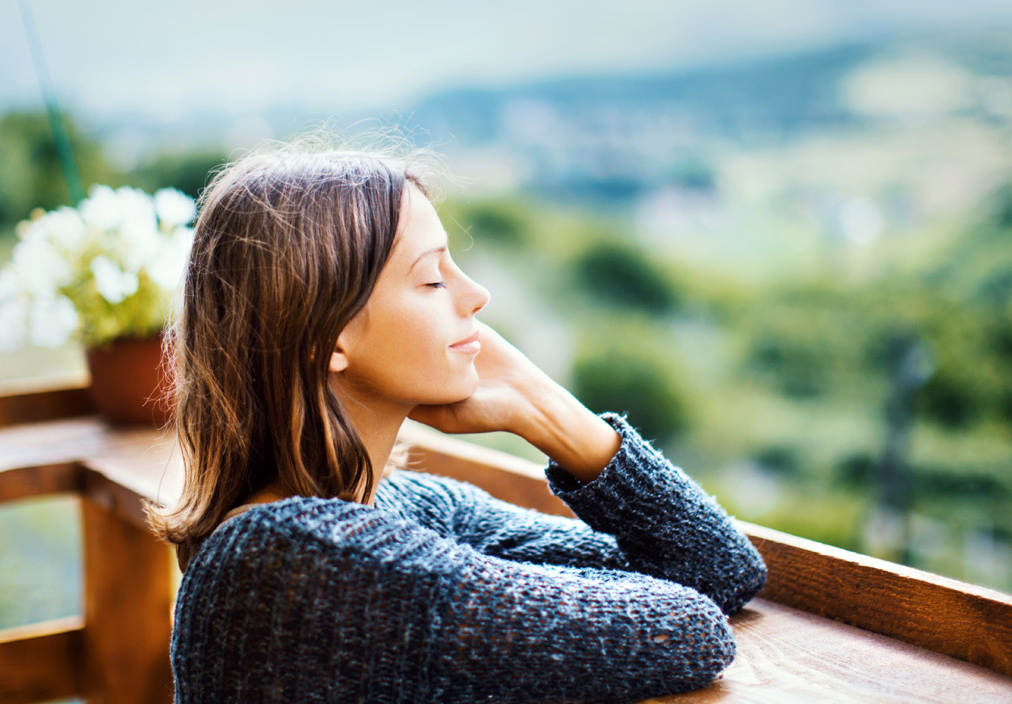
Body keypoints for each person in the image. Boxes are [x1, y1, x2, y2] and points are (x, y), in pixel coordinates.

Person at [144, 131, 768, 704]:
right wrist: (540, 398)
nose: (475, 295)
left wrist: (542, 408)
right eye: (431, 280)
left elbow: (716, 571)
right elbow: (686, 630)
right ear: (325, 337)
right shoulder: (290, 558)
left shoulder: (399, 507)